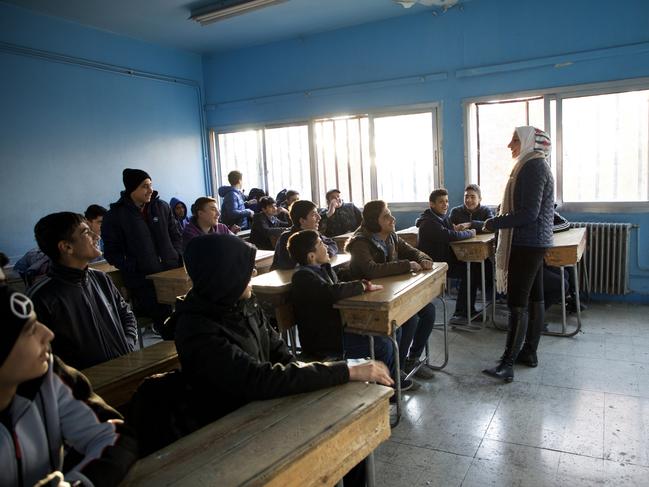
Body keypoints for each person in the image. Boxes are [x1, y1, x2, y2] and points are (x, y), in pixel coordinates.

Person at [167, 234, 393, 487]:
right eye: (243, 267)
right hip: (233, 428)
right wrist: (345, 370)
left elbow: (283, 357)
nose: (252, 271)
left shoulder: (243, 305)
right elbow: (257, 379)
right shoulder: (196, 329)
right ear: (223, 275)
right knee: (326, 444)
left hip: (268, 404)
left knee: (351, 423)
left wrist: (330, 378)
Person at [0, 286, 138, 487]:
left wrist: (80, 483)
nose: (47, 334)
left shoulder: (48, 376)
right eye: (29, 330)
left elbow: (115, 435)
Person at [482, 126, 554, 382]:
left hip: (527, 243)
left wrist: (495, 223)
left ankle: (507, 364)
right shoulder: (532, 165)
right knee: (535, 298)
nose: (509, 144)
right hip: (534, 242)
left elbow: (528, 214)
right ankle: (529, 353)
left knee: (517, 303)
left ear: (527, 143)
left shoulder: (533, 167)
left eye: (514, 140)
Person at [27, 212, 138, 369]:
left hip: (122, 370)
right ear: (66, 247)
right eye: (86, 232)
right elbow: (43, 356)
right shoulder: (41, 298)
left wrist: (127, 342)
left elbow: (126, 314)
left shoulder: (101, 279)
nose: (97, 236)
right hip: (85, 386)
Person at [346, 200, 438, 385]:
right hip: (369, 299)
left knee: (428, 311)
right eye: (386, 216)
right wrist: (405, 265)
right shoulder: (360, 242)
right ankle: (397, 369)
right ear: (374, 221)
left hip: (392, 293)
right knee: (409, 319)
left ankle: (411, 359)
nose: (392, 218)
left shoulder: (391, 236)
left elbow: (412, 251)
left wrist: (423, 258)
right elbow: (371, 270)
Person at [288, 229, 387, 363]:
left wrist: (361, 284)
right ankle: (390, 382)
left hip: (336, 330)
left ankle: (391, 375)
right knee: (383, 344)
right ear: (311, 256)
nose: (326, 246)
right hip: (324, 341)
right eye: (321, 244)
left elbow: (338, 286)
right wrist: (361, 286)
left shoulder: (322, 269)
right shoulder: (302, 277)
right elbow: (331, 292)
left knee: (389, 332)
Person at [102, 168, 182, 331]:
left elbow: (176, 235)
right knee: (167, 326)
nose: (150, 190)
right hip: (144, 281)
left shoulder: (162, 206)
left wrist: (176, 254)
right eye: (145, 186)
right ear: (132, 189)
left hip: (172, 273)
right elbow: (112, 252)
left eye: (150, 185)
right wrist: (134, 266)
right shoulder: (116, 215)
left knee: (186, 316)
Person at [416, 188, 482, 324]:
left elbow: (451, 231)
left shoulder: (442, 217)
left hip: (446, 260)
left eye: (446, 201)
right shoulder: (428, 222)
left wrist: (457, 229)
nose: (445, 205)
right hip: (434, 265)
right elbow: (450, 235)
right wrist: (470, 233)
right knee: (469, 272)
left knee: (473, 267)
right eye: (441, 202)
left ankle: (467, 310)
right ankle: (460, 313)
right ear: (431, 204)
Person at [271, 199, 337, 270]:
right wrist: (319, 255)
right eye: (314, 215)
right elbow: (288, 265)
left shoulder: (312, 233)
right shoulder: (287, 238)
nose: (319, 217)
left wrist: (324, 253)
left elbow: (332, 244)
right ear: (302, 220)